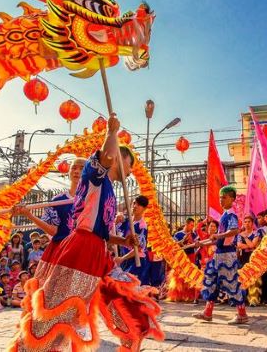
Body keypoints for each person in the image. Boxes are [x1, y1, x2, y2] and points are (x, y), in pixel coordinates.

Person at [11, 114, 163, 352]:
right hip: (80, 252)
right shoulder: (95, 177)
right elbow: (107, 156)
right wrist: (111, 132)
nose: (132, 172)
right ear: (120, 159)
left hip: (98, 253)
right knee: (58, 311)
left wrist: (123, 240)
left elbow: (100, 230)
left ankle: (131, 340)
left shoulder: (110, 190)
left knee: (128, 302)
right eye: (130, 165)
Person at [194, 185, 248, 324]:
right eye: (220, 198)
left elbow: (234, 231)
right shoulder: (224, 215)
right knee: (211, 281)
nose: (221, 200)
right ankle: (208, 312)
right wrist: (201, 244)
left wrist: (217, 236)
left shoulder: (231, 215)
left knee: (231, 283)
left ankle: (242, 314)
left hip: (227, 255)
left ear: (232, 199)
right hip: (218, 254)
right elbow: (218, 240)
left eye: (224, 198)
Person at [116, 196, 150, 285]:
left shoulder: (142, 226)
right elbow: (114, 235)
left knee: (129, 288)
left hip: (136, 262)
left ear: (144, 209)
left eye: (139, 205)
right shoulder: (126, 221)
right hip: (124, 260)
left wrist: (122, 258)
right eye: (134, 203)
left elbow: (138, 249)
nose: (135, 206)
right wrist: (115, 221)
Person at [167, 218, 200, 302]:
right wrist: (183, 241)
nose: (192, 227)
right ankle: (178, 296)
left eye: (193, 225)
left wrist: (193, 242)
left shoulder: (194, 234)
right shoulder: (178, 234)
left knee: (190, 275)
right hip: (181, 257)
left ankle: (190, 296)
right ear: (187, 224)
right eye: (191, 225)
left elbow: (197, 245)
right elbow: (174, 245)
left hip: (191, 256)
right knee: (179, 276)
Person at [237, 215, 261, 306]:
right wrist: (250, 245)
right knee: (243, 278)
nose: (247, 224)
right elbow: (239, 245)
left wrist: (246, 238)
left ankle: (253, 300)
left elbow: (253, 245)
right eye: (245, 222)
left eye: (249, 222)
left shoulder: (256, 233)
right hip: (243, 258)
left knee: (253, 278)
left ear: (252, 223)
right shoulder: (240, 235)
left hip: (253, 257)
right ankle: (242, 299)